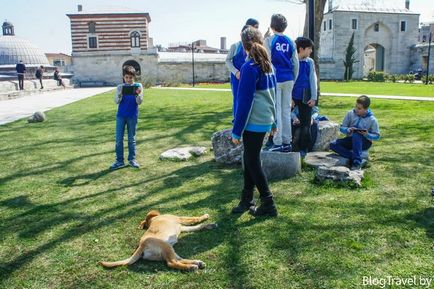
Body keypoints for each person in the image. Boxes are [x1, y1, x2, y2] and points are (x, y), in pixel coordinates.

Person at [231, 26, 278, 217]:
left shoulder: (249, 67)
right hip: (265, 119)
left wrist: (236, 131)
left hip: (254, 122)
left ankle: (268, 202)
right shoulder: (269, 65)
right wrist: (274, 122)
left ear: (244, 47)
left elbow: (244, 102)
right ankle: (247, 199)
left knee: (251, 160)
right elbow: (273, 96)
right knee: (250, 159)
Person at [264, 14, 299, 152]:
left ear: (272, 26)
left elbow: (267, 60)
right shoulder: (291, 42)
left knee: (277, 110)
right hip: (289, 78)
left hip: (275, 79)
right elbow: (295, 63)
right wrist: (293, 79)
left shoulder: (269, 40)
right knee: (286, 111)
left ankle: (277, 142)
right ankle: (287, 142)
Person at [330, 95, 380, 170]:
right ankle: (355, 157)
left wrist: (367, 134)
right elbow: (342, 128)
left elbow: (377, 136)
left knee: (357, 135)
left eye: (359, 108)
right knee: (332, 144)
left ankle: (356, 163)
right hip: (350, 139)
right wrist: (348, 130)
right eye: (356, 106)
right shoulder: (350, 114)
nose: (356, 109)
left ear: (366, 109)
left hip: (365, 142)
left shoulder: (372, 120)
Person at [110, 65, 144, 170]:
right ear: (123, 77)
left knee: (131, 139)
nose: (128, 80)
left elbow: (140, 102)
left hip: (132, 116)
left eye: (130, 77)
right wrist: (120, 95)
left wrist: (137, 95)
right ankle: (119, 161)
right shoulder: (120, 87)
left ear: (134, 77)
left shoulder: (138, 86)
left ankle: (132, 160)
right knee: (119, 139)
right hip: (121, 115)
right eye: (126, 77)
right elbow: (116, 101)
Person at [291, 37, 317, 158]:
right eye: (309, 48)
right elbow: (289, 80)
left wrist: (313, 97)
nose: (311, 51)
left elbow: (313, 79)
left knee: (306, 124)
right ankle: (289, 146)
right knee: (288, 121)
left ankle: (304, 149)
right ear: (301, 49)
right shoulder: (291, 60)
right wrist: (289, 97)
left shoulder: (310, 62)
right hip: (292, 96)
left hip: (306, 96)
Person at [226, 25, 249, 117]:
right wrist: (236, 72)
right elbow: (227, 60)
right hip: (237, 79)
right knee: (237, 100)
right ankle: (236, 122)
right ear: (241, 34)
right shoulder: (235, 46)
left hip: (249, 78)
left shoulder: (253, 48)